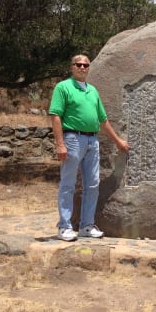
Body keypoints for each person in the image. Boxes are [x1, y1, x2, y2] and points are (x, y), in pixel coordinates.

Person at [48, 54, 130, 241]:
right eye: (78, 64)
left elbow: (103, 120)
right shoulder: (63, 87)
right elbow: (55, 116)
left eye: (85, 65)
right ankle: (64, 227)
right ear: (72, 67)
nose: (82, 68)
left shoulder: (92, 90)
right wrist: (60, 144)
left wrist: (118, 141)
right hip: (72, 139)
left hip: (92, 141)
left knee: (92, 184)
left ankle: (86, 225)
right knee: (68, 184)